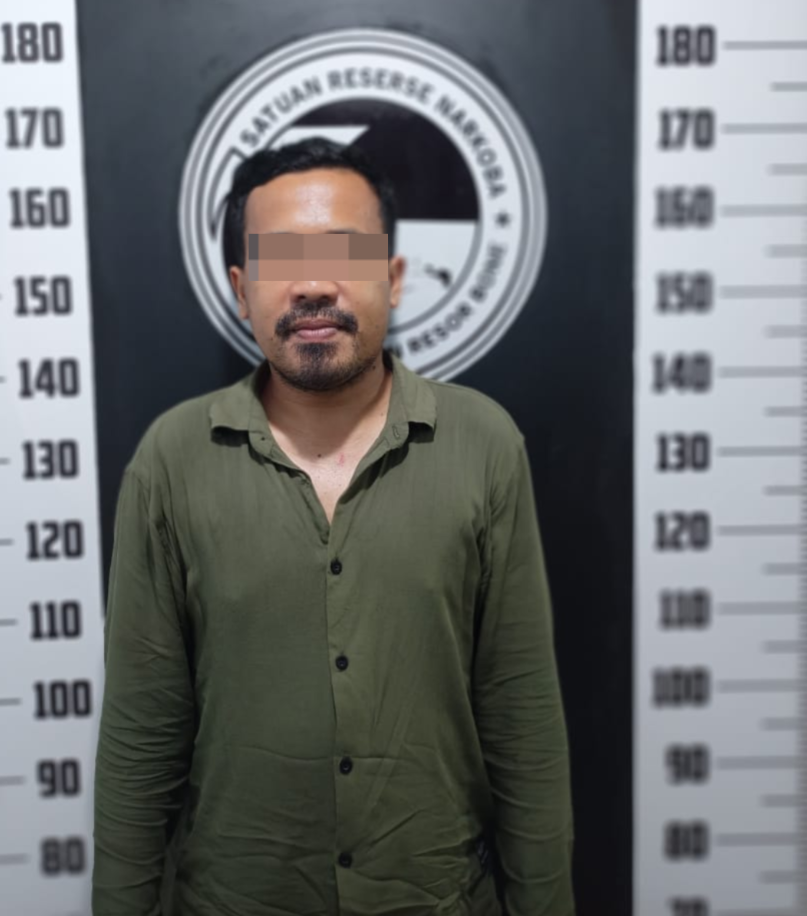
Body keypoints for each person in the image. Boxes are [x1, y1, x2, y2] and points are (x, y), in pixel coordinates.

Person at [92, 137, 574, 916]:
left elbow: (521, 716)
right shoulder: (171, 461)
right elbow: (140, 738)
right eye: (282, 259)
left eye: (344, 254)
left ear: (393, 277)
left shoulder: (484, 445)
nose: (314, 285)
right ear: (242, 289)